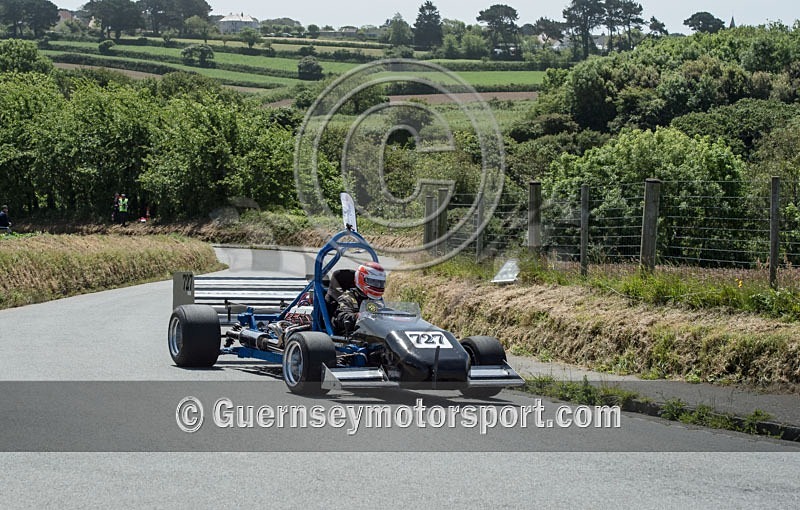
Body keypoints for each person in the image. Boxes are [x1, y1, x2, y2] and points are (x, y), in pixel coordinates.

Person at [334, 261, 386, 335]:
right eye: (373, 281)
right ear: (361, 279)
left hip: (374, 334)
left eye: (380, 283)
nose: (377, 285)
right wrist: (359, 316)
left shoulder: (377, 300)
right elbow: (341, 317)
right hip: (352, 336)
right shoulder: (348, 297)